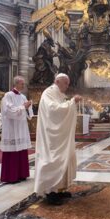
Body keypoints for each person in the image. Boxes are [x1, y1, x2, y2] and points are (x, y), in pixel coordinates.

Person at [34, 73, 82, 205]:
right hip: (51, 137)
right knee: (53, 159)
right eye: (65, 83)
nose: (67, 86)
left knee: (63, 157)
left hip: (59, 136)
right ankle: (50, 192)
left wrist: (70, 103)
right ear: (57, 81)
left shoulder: (59, 94)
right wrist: (72, 102)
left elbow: (61, 108)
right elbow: (53, 110)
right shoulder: (48, 93)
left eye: (68, 83)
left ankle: (59, 189)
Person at [0, 76, 33, 183]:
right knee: (13, 150)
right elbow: (9, 111)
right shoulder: (8, 95)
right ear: (16, 84)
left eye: (24, 84)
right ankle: (11, 176)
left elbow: (29, 114)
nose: (23, 86)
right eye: (22, 84)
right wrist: (24, 107)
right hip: (12, 127)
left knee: (22, 150)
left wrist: (27, 108)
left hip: (21, 127)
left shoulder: (23, 96)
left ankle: (22, 174)